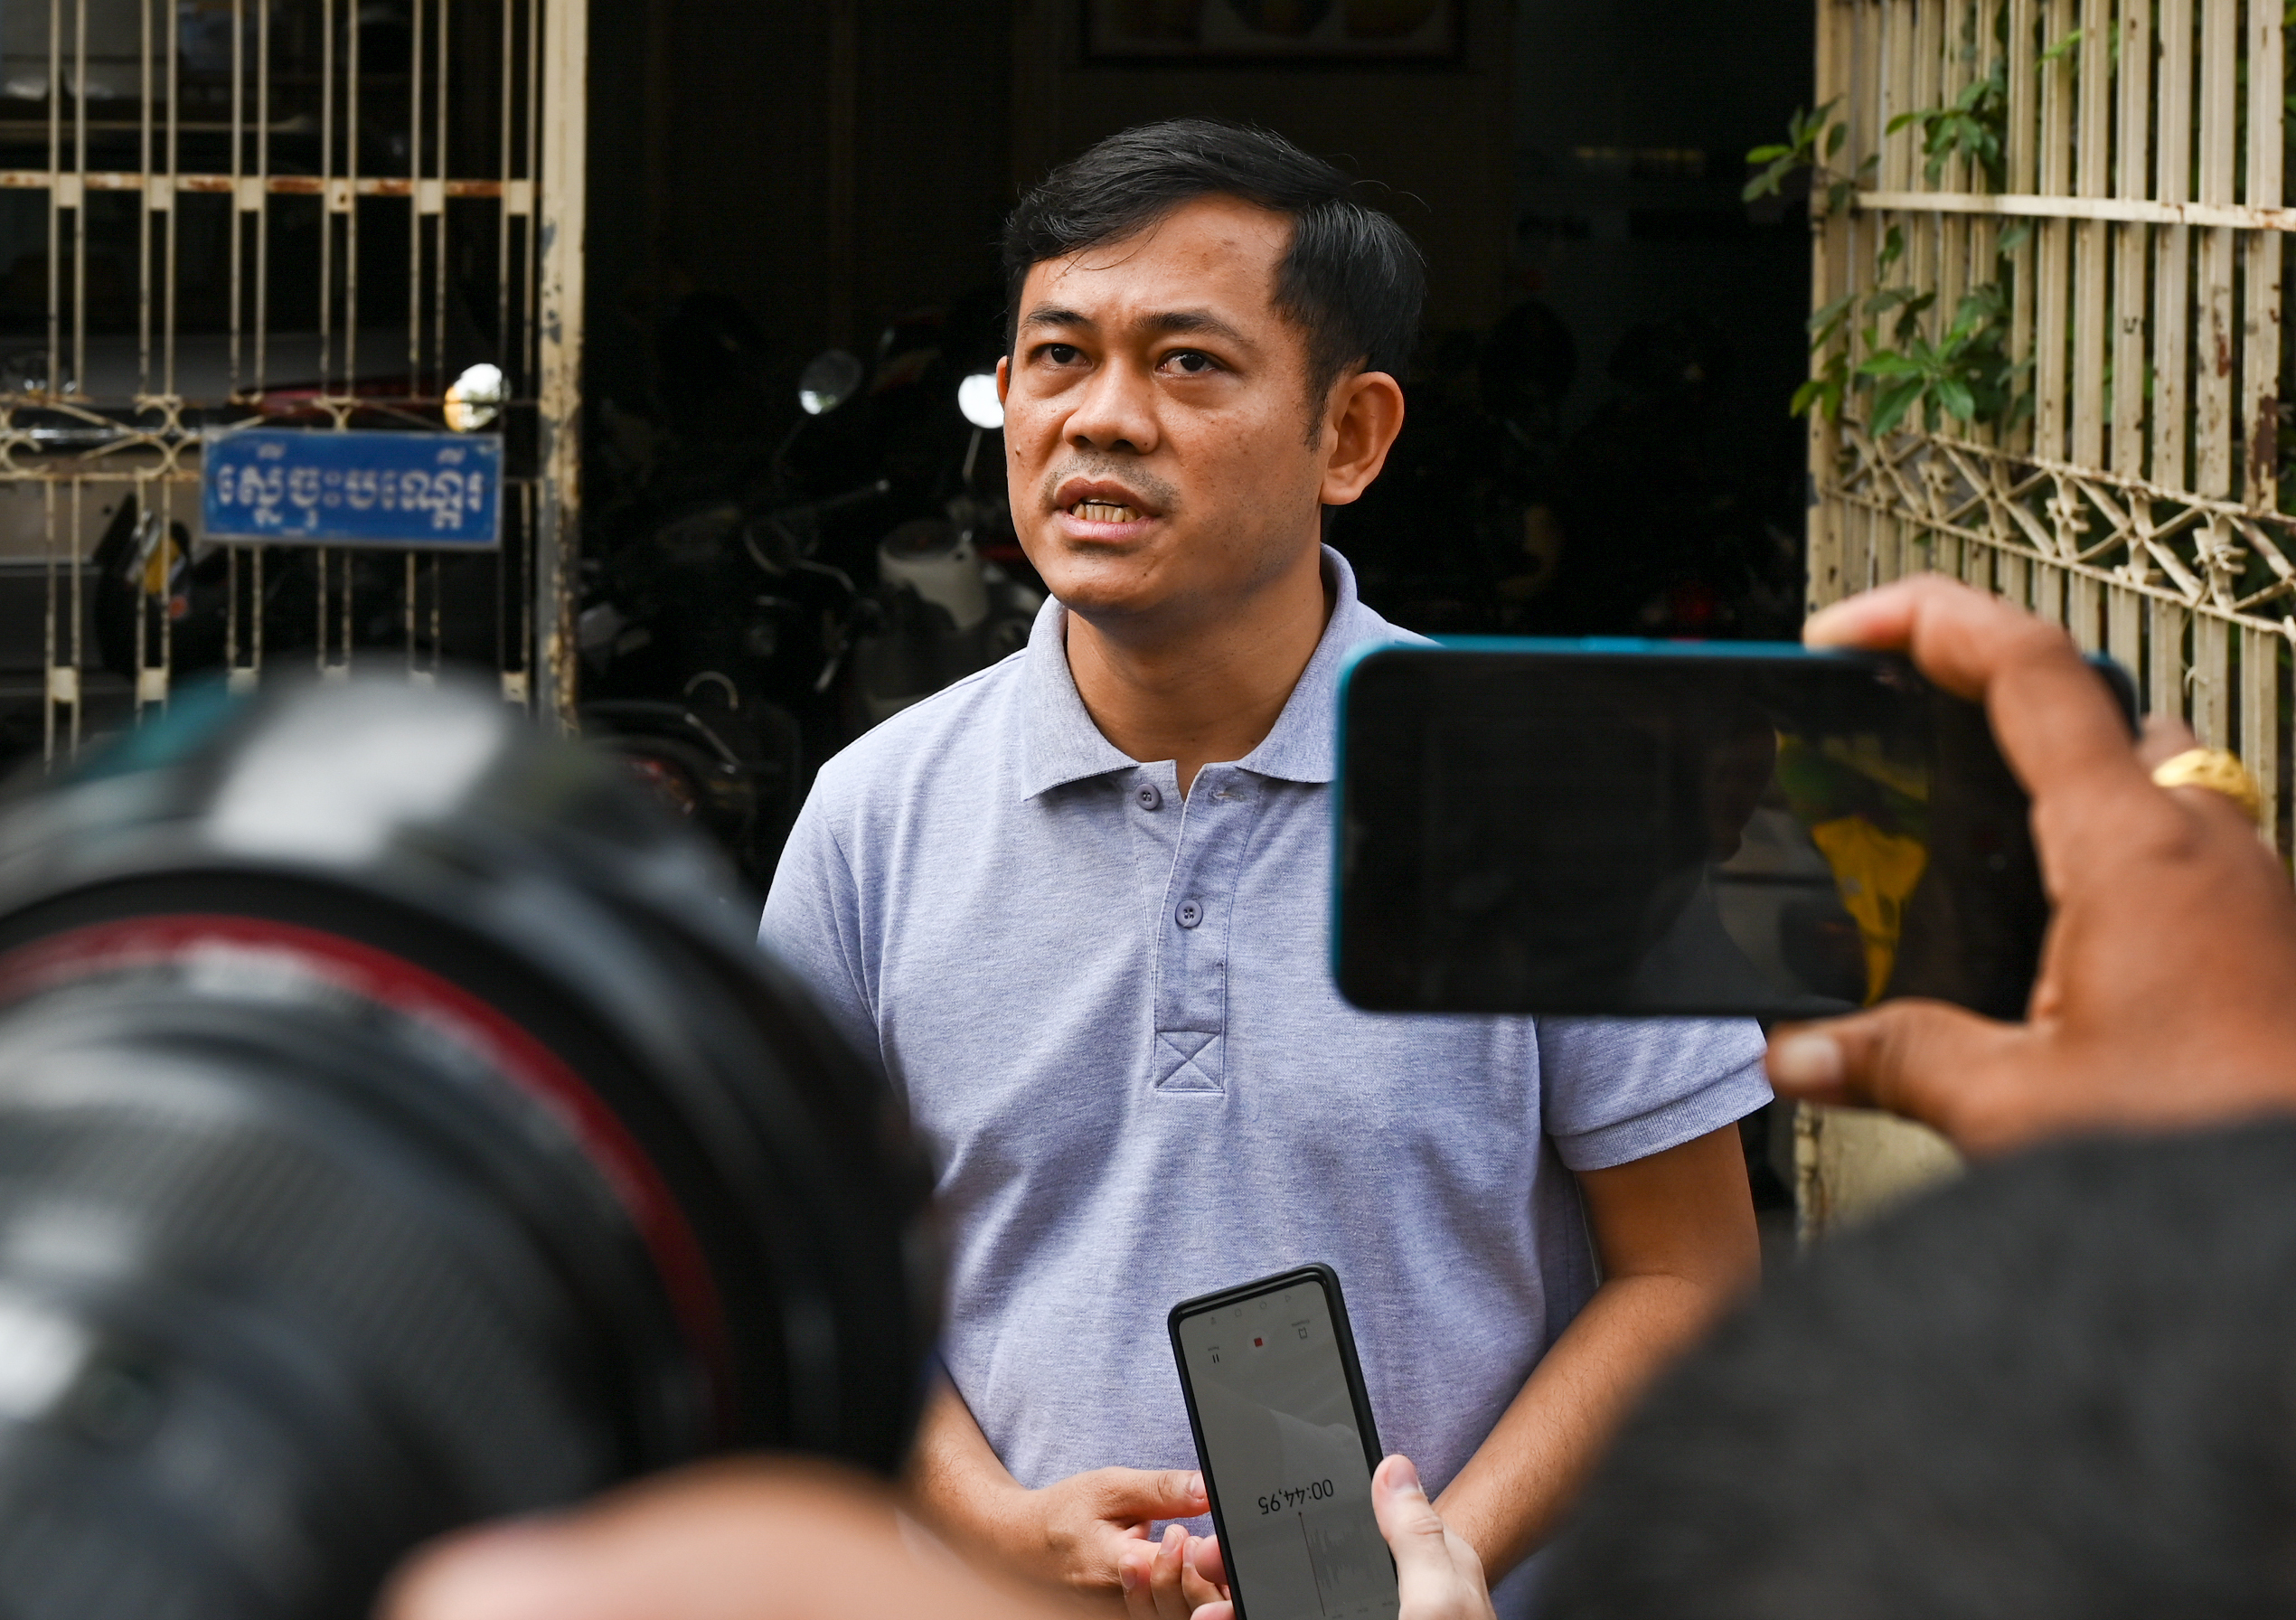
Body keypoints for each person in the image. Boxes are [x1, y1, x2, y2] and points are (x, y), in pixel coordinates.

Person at [756, 118, 1770, 1613]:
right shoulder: (874, 816)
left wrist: (1441, 1560)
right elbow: (803, 1279)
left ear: (1350, 436)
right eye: (1057, 356)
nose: (1100, 420)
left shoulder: (1558, 799)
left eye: (1188, 364)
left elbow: (1688, 1277)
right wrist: (995, 1523)